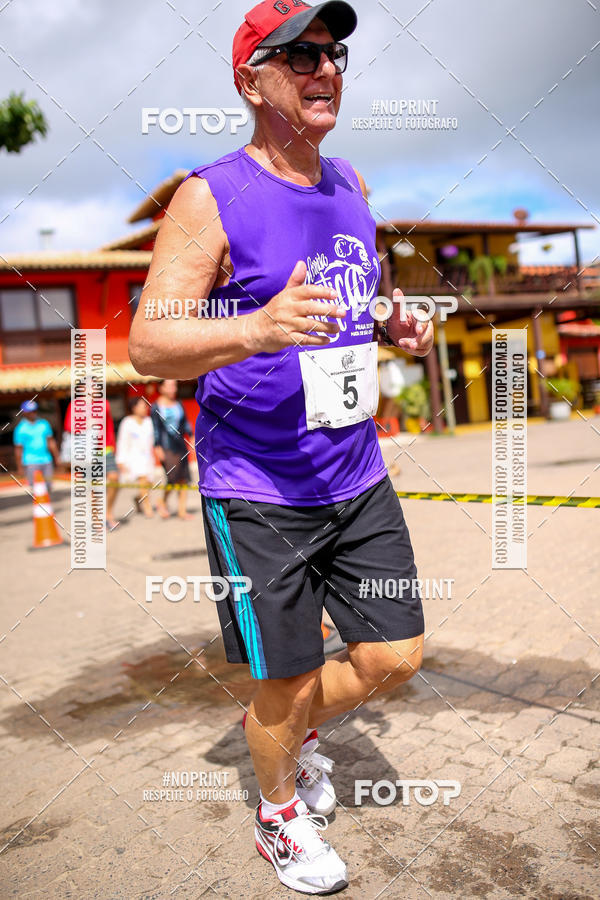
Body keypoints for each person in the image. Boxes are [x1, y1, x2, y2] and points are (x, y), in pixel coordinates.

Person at [129, 1, 433, 893]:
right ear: (248, 80)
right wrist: (255, 329)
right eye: (297, 54)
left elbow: (352, 296)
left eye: (332, 52)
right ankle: (278, 813)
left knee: (394, 658)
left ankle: (289, 733)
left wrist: (393, 323)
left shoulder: (351, 185)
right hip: (257, 481)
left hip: (355, 470)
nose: (323, 67)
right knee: (290, 675)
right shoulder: (209, 194)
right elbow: (149, 342)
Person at [63, 394, 120, 530]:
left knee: (114, 478)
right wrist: (85, 424)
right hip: (88, 452)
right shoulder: (75, 406)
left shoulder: (104, 403)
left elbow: (108, 425)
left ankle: (108, 513)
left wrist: (113, 445)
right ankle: (97, 518)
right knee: (95, 487)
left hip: (105, 448)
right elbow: (69, 427)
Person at [150, 379, 194, 520]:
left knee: (184, 478)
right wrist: (157, 447)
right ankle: (162, 501)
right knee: (172, 478)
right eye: (169, 385)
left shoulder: (179, 404)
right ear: (161, 388)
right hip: (166, 446)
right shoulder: (155, 407)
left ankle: (182, 510)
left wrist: (191, 436)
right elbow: (156, 428)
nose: (173, 388)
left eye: (174, 385)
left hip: (180, 445)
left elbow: (185, 422)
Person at [115, 396, 156, 518]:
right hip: (133, 458)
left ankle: (138, 499)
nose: (144, 408)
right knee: (143, 480)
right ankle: (147, 507)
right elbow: (122, 442)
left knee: (149, 483)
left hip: (147, 458)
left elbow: (153, 440)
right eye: (141, 406)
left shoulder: (149, 422)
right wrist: (121, 461)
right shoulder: (127, 422)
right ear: (134, 408)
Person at [13, 400, 59, 494]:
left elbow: (51, 442)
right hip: (30, 462)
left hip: (46, 460)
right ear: (24, 413)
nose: (33, 413)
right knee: (35, 488)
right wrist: (19, 467)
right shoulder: (20, 429)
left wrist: (57, 457)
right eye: (30, 411)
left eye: (34, 410)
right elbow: (18, 449)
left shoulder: (44, 424)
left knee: (48, 486)